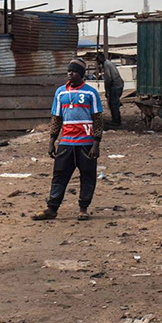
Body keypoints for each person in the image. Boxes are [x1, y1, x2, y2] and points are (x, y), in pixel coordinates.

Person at [32, 59, 103, 221]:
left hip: (86, 143)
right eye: (68, 71)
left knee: (88, 175)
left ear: (81, 74)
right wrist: (52, 141)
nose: (70, 73)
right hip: (66, 143)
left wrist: (96, 143)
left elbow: (98, 119)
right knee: (59, 175)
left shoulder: (90, 93)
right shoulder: (60, 93)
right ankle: (52, 208)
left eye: (74, 71)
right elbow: (56, 118)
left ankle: (83, 208)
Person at [96, 52, 124, 128]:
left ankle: (116, 121)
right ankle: (117, 119)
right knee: (114, 103)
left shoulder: (106, 64)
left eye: (98, 60)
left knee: (113, 104)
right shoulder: (109, 63)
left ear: (100, 58)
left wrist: (107, 91)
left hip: (115, 86)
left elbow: (108, 79)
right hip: (119, 85)